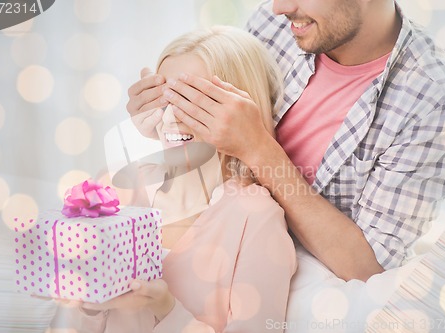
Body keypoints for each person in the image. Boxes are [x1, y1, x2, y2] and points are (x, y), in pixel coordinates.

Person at [126, 0, 445, 282]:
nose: (278, 7)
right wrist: (169, 122)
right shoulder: (281, 21)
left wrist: (258, 148)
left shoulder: (438, 101)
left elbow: (368, 267)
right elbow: (217, 157)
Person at [75, 26, 297, 332]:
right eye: (165, 98)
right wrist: (84, 301)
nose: (172, 117)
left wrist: (164, 307)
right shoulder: (124, 187)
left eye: (193, 100)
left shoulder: (255, 217)